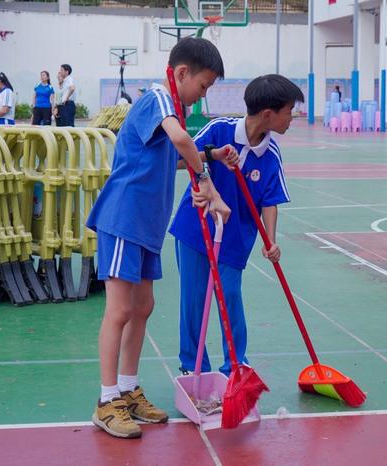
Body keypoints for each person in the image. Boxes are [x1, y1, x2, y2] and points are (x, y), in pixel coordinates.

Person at [85, 37, 234, 440]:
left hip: (147, 226)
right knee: (119, 310)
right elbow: (183, 143)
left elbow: (179, 154)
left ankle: (129, 388)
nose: (202, 96)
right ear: (182, 73)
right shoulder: (159, 98)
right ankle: (106, 399)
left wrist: (211, 159)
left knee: (143, 306)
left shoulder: (175, 113)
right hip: (123, 219)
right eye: (203, 86)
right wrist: (210, 186)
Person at [169, 74, 304, 377]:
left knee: (229, 297)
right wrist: (210, 157)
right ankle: (193, 368)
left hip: (235, 240)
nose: (292, 118)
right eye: (289, 111)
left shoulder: (270, 154)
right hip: (196, 229)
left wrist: (270, 240)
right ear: (269, 114)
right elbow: (180, 159)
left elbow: (270, 199)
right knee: (193, 300)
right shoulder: (220, 130)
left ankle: (234, 365)